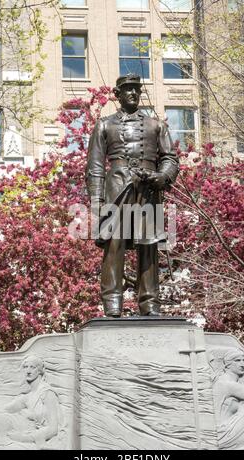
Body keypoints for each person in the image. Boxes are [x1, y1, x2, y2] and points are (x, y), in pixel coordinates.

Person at [86, 74, 179, 317]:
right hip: (116, 188)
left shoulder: (156, 125)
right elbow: (95, 167)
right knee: (114, 245)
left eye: (136, 89)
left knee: (148, 247)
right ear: (117, 94)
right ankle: (112, 301)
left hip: (148, 189)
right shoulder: (104, 125)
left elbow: (170, 158)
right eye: (127, 89)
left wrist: (163, 177)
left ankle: (150, 302)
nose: (133, 93)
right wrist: (96, 202)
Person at [0, 355, 62, 450]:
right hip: (23, 432)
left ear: (39, 370)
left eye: (32, 367)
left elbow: (53, 428)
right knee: (0, 419)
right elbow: (2, 409)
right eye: (25, 367)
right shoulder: (27, 397)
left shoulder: (47, 393)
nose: (28, 370)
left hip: (36, 437)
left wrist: (24, 438)